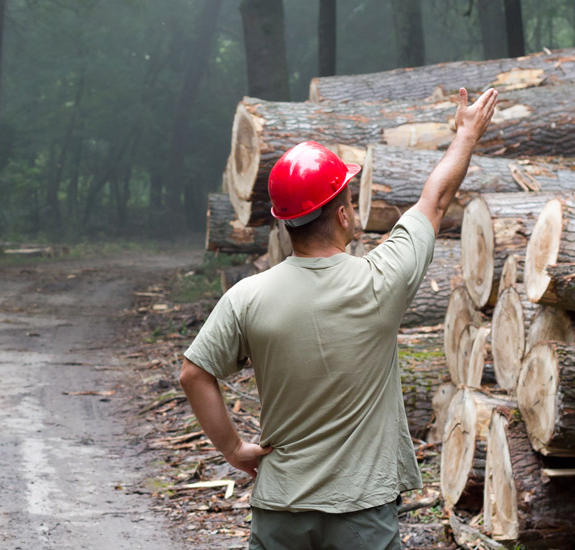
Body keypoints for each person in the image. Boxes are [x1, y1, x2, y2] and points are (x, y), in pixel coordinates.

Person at [178, 87, 501, 550]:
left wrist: (233, 449)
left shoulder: (248, 296)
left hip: (280, 509)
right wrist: (467, 133)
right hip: (361, 513)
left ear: (285, 221)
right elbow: (436, 199)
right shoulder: (380, 282)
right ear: (345, 214)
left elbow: (194, 374)